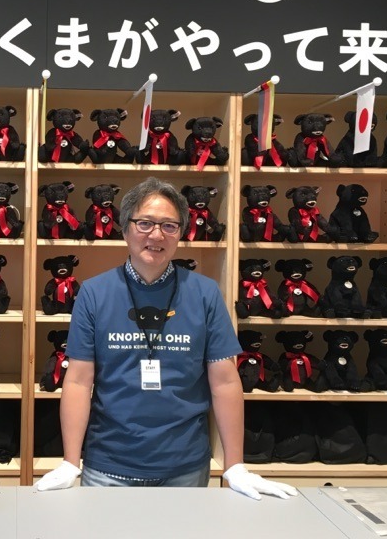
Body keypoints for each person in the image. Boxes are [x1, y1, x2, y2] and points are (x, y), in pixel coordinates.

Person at [34, 177, 297, 500]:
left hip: (185, 467)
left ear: (181, 233)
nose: (156, 235)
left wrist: (235, 465)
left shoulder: (205, 293)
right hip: (108, 467)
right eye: (145, 223)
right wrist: (70, 461)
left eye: (169, 226)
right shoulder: (94, 292)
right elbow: (77, 381)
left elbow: (225, 381)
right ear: (125, 228)